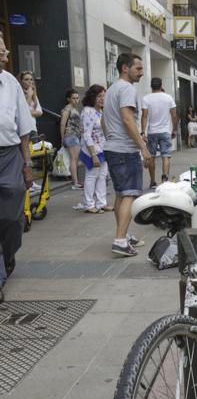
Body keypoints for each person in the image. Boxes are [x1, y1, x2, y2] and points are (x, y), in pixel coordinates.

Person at [102, 52, 152, 257]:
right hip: (125, 149)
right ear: (125, 68)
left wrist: (112, 138)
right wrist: (142, 146)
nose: (141, 72)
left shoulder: (112, 89)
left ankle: (123, 234)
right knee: (130, 194)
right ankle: (120, 240)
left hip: (113, 147)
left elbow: (103, 122)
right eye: (138, 68)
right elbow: (128, 120)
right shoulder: (127, 89)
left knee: (122, 194)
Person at [0, 32, 35, 303]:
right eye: (2, 51)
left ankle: (8, 254)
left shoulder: (9, 82)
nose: (5, 55)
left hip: (9, 154)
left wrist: (27, 163)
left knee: (12, 218)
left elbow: (24, 128)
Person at [78, 84, 111, 213]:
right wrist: (93, 155)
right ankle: (88, 204)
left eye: (104, 96)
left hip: (102, 148)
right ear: (93, 97)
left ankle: (101, 203)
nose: (102, 99)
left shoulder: (100, 111)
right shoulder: (87, 111)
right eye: (99, 96)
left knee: (102, 176)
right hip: (92, 150)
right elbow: (86, 135)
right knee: (92, 176)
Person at [141, 77, 177, 188]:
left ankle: (152, 181)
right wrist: (174, 129)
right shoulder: (168, 98)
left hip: (152, 132)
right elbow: (174, 115)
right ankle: (165, 180)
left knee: (151, 156)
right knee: (165, 155)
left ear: (151, 86)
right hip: (165, 131)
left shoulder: (146, 99)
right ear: (161, 85)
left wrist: (143, 132)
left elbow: (144, 116)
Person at [60, 88, 84, 189]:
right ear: (68, 99)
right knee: (74, 159)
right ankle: (75, 182)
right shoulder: (67, 109)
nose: (76, 100)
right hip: (70, 135)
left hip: (75, 136)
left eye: (77, 98)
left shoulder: (74, 109)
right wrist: (62, 138)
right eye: (73, 98)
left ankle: (76, 181)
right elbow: (62, 124)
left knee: (75, 159)